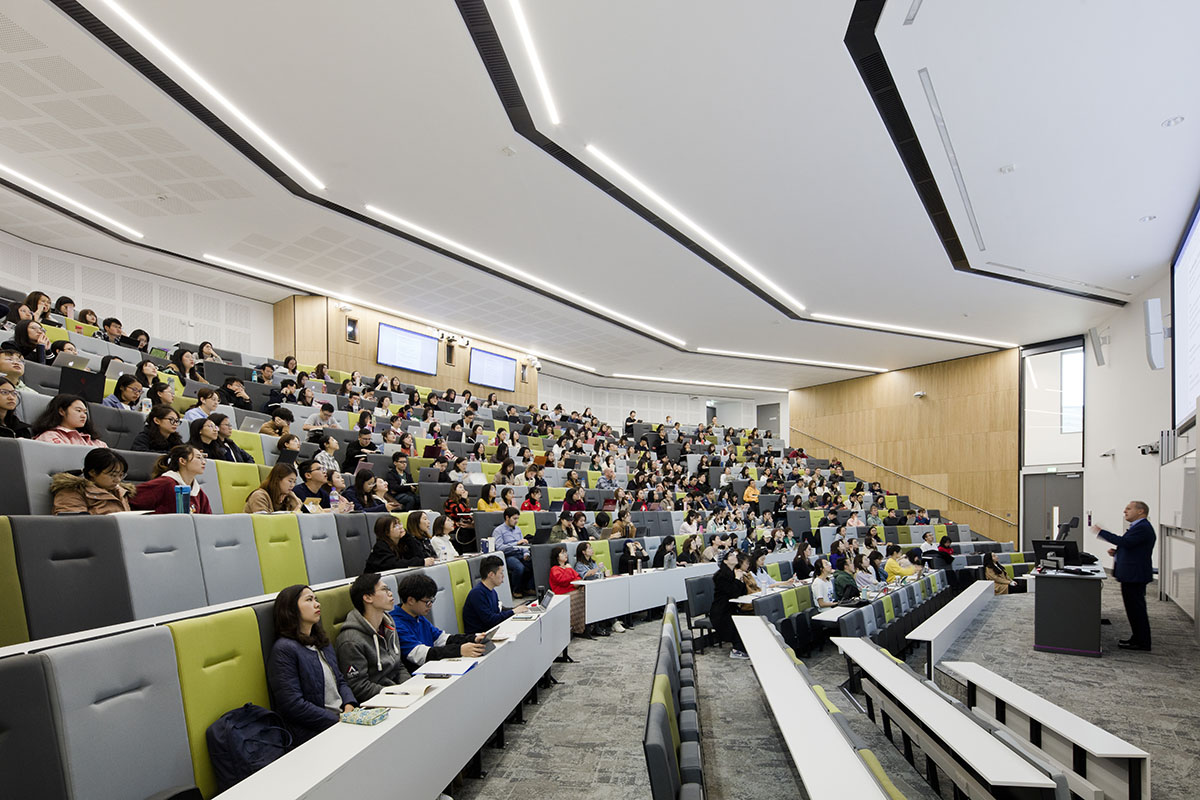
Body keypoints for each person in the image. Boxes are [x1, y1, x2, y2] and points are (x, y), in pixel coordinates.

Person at [266, 584, 356, 745]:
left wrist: (349, 705)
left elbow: (340, 680)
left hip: (342, 720)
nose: (317, 604)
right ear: (291, 609)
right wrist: (337, 720)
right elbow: (292, 705)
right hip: (313, 732)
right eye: (309, 600)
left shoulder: (321, 641)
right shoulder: (284, 649)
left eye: (316, 599)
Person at [390, 572, 486, 672]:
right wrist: (459, 650)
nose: (430, 605)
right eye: (427, 602)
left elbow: (441, 639)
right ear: (411, 600)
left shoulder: (418, 616)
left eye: (432, 601)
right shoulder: (396, 623)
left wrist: (473, 638)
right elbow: (421, 655)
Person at [334, 573, 408, 703]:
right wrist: (397, 693)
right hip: (378, 702)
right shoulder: (350, 640)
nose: (390, 593)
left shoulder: (388, 625)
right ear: (368, 597)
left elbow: (398, 665)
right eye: (384, 590)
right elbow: (359, 687)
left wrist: (410, 687)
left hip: (397, 694)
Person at [1093, 501, 1156, 651]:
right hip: (1133, 575)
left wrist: (1101, 532)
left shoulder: (1142, 527)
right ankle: (1138, 638)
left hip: (1135, 575)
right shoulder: (1139, 527)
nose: (1124, 511)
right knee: (1134, 609)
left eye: (1128, 508)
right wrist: (1117, 552)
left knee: (1136, 610)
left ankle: (1142, 642)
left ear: (1140, 511)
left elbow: (1125, 542)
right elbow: (1133, 547)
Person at [129, 445, 212, 514]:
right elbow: (129, 498)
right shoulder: (166, 483)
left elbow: (207, 520)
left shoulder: (198, 492)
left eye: (203, 459)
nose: (204, 462)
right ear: (182, 461)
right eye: (198, 458)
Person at [50, 448, 134, 514]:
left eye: (121, 475)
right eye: (113, 475)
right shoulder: (72, 491)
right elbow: (73, 522)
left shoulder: (120, 492)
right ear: (92, 472)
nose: (118, 480)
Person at [462, 555, 529, 634]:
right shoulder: (477, 593)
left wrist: (517, 609)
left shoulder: (492, 591)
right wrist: (513, 611)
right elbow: (491, 620)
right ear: (491, 575)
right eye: (501, 573)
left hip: (491, 631)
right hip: (480, 636)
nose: (503, 576)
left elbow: (498, 611)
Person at [710, 549, 748, 658]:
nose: (735, 556)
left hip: (731, 608)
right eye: (731, 555)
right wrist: (737, 579)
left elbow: (743, 592)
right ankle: (737, 650)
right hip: (721, 612)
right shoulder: (720, 576)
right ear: (725, 561)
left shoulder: (734, 572)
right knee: (737, 623)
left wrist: (741, 579)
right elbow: (733, 593)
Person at [574, 540, 617, 634]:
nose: (592, 550)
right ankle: (606, 624)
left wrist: (604, 573)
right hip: (588, 589)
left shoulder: (593, 562)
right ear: (583, 552)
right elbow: (586, 575)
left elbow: (597, 574)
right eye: (589, 548)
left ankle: (613, 621)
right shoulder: (579, 565)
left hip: (597, 586)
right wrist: (598, 569)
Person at [33, 394, 108, 447]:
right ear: (61, 411)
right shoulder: (49, 436)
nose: (84, 416)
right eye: (78, 411)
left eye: (85, 412)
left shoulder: (92, 440)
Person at [365, 514, 434, 571]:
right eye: (395, 526)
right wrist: (421, 562)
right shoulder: (380, 547)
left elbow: (420, 556)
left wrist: (408, 537)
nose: (401, 527)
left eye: (399, 523)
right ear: (386, 532)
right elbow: (395, 564)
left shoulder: (402, 542)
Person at [548, 544, 588, 637]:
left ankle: (590, 624)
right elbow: (563, 581)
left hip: (573, 590)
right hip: (562, 593)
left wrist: (573, 579)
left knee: (588, 591)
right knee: (582, 595)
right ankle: (578, 628)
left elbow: (578, 577)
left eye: (565, 552)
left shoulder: (567, 567)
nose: (565, 554)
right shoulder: (555, 569)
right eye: (562, 553)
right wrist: (569, 570)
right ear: (557, 557)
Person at [493, 506, 532, 596]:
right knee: (519, 567)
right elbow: (499, 547)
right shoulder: (498, 530)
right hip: (508, 555)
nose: (516, 521)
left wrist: (526, 553)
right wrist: (516, 544)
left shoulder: (518, 529)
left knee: (534, 563)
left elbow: (523, 545)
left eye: (517, 518)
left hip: (520, 553)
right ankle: (516, 590)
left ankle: (529, 588)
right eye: (514, 518)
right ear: (507, 517)